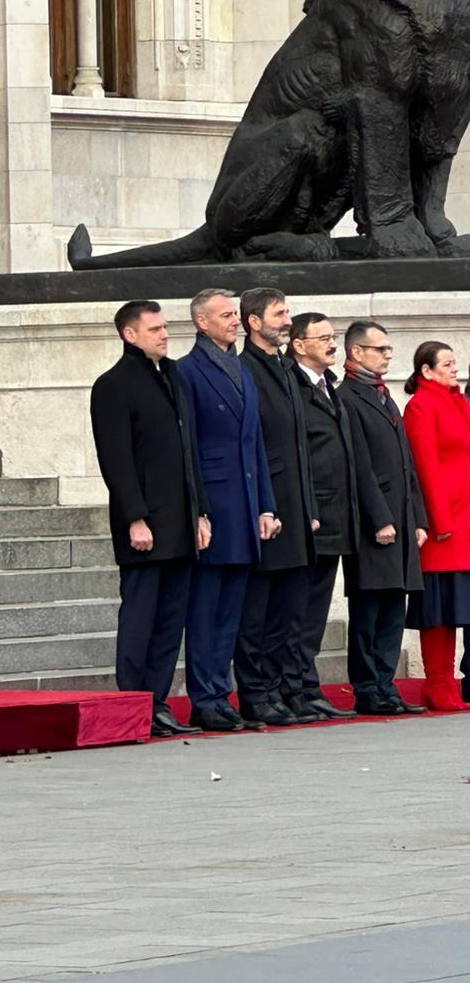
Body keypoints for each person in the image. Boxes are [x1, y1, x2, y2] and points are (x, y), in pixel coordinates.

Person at [89, 300, 208, 740]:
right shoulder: (113, 385)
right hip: (144, 524)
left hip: (180, 521)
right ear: (130, 334)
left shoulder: (173, 376)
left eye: (164, 327)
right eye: (154, 328)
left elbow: (188, 450)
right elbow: (116, 460)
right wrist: (135, 518)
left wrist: (201, 512)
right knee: (141, 615)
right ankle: (133, 701)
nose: (164, 334)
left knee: (170, 618)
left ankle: (157, 701)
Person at [176, 289, 277, 731]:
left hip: (245, 502)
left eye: (235, 314)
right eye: (225, 315)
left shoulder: (241, 368)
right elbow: (188, 448)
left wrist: (266, 507)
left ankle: (222, 693)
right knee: (205, 609)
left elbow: (254, 443)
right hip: (214, 506)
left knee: (232, 609)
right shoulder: (186, 371)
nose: (235, 321)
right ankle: (205, 697)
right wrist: (198, 510)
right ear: (202, 322)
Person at [234, 288, 319, 727]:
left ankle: (280, 689)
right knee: (258, 610)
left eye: (287, 313)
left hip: (296, 505)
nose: (287, 320)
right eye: (279, 313)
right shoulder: (245, 368)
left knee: (288, 608)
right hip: (267, 507)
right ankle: (255, 693)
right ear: (253, 321)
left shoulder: (285, 367)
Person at [337, 322, 428, 716]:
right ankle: (367, 688)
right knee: (369, 606)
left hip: (402, 518)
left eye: (389, 350)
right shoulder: (348, 397)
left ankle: (386, 685)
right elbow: (360, 466)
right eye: (381, 349)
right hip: (375, 522)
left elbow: (406, 465)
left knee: (394, 604)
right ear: (357, 353)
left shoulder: (384, 396)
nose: (388, 355)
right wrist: (380, 518)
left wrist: (418, 517)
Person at [285, 312, 364, 721]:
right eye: (323, 338)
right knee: (300, 608)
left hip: (336, 516)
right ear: (298, 344)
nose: (333, 345)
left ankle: (306, 684)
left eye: (333, 337)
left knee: (314, 610)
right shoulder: (293, 387)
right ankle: (296, 687)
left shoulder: (329, 386)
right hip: (312, 515)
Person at [402, 340, 470, 711]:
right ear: (426, 371)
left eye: (454, 361)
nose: (454, 367)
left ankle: (451, 683)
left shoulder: (456, 401)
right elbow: (424, 467)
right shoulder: (421, 406)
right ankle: (438, 683)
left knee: (460, 608)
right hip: (446, 527)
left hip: (467, 522)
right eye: (446, 363)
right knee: (439, 612)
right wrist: (439, 521)